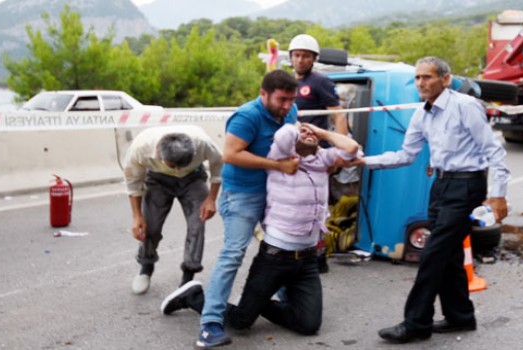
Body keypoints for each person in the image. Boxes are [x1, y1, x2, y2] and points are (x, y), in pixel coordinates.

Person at [350, 56, 510, 344]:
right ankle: (461, 317)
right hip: (440, 185)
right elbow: (406, 155)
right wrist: (364, 161)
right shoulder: (422, 114)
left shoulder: (465, 106)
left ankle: (416, 323)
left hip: (466, 187)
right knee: (448, 256)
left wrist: (498, 196)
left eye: (428, 77)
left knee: (433, 255)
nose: (421, 83)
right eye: (418, 78)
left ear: (445, 80)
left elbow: (495, 152)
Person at [160, 123, 360, 336]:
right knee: (240, 322)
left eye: (311, 133)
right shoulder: (279, 157)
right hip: (275, 260)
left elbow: (351, 148)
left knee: (309, 325)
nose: (308, 133)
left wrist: (319, 132)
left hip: (307, 261)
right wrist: (297, 125)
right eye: (302, 132)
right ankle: (192, 296)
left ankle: (258, 303)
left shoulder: (323, 160)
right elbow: (284, 135)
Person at [196, 69, 300, 348]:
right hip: (242, 194)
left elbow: (291, 141)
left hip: (275, 192)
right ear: (263, 93)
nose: (287, 106)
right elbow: (230, 154)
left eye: (291, 100)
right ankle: (209, 324)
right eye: (282, 100)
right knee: (233, 253)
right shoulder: (247, 116)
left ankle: (288, 302)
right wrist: (278, 166)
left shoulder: (290, 111)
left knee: (280, 248)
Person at [123, 125, 222, 294]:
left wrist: (211, 199)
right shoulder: (140, 148)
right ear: (160, 155)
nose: (178, 170)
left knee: (197, 225)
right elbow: (133, 183)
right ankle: (146, 267)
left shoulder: (203, 143)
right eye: (174, 165)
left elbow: (218, 166)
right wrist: (137, 216)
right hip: (157, 179)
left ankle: (188, 277)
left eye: (183, 164)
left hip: (193, 179)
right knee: (150, 226)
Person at [289, 33, 349, 271]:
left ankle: (319, 256)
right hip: (293, 152)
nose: (300, 60)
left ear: (313, 59)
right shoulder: (289, 82)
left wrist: (337, 152)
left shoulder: (320, 82)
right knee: (295, 203)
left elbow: (338, 114)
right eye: (296, 55)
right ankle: (296, 250)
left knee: (317, 205)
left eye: (305, 56)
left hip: (316, 153)